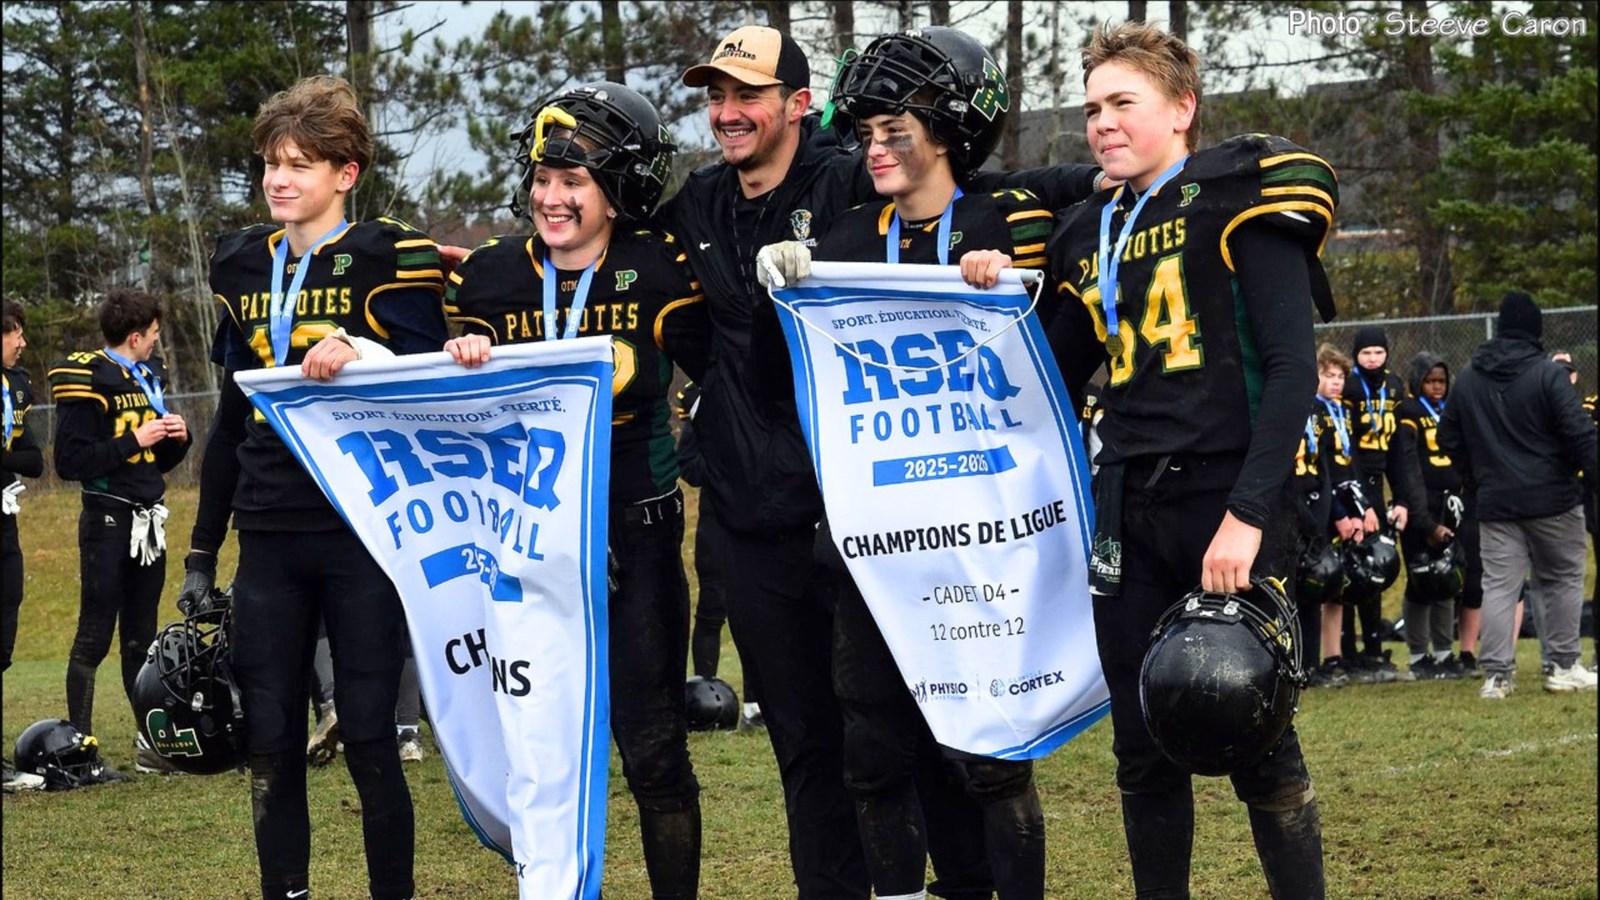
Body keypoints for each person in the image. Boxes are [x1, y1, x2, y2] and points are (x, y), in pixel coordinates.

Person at [658, 23, 1104, 898]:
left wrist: (1086, 201)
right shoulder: (771, 216)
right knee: (845, 745)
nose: (727, 112)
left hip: (945, 526)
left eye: (747, 94)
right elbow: (758, 366)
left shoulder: (933, 201)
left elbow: (1011, 211)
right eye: (716, 95)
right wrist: (778, 301)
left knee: (966, 744)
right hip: (819, 526)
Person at [756, 26, 1057, 898]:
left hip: (982, 540)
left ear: (950, 133)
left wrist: (1015, 295)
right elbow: (775, 386)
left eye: (897, 131)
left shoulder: (1005, 222)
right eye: (868, 133)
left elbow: (1057, 366)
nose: (876, 149)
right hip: (876, 543)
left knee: (991, 755)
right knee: (873, 751)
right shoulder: (848, 236)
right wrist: (782, 298)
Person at [1043, 21, 1334, 898]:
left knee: (1253, 726)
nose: (1102, 122)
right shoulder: (1088, 230)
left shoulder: (1237, 198)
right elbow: (1047, 373)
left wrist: (1248, 514)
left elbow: (1292, 371)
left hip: (1223, 493)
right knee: (1142, 747)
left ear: (1182, 108)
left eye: (1122, 103)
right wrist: (992, 282)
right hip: (1126, 501)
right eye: (1091, 109)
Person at [181, 74, 447, 900]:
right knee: (269, 743)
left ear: (346, 173)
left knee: (369, 737)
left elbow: (431, 383)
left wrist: (362, 350)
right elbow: (232, 416)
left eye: (300, 164)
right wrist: (201, 549)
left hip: (361, 530)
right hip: (267, 532)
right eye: (272, 163)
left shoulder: (391, 256)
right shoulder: (241, 262)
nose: (279, 179)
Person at [442, 81, 710, 900]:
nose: (551, 197)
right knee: (538, 741)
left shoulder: (657, 266)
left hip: (636, 530)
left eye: (573, 181)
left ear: (618, 190)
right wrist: (459, 361)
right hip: (526, 539)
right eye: (542, 178)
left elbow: (727, 374)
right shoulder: (490, 276)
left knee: (653, 748)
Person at [49, 288, 191, 777]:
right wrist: (134, 439)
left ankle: (150, 743)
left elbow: (156, 462)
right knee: (94, 634)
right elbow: (70, 462)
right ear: (134, 336)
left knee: (141, 638)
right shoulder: (90, 376)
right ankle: (79, 750)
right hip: (107, 518)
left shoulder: (148, 377)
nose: (155, 343)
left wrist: (178, 439)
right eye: (152, 335)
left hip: (149, 517)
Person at [1437, 292, 1597, 699]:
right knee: (1562, 579)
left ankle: (1496, 675)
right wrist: (1580, 473)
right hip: (1554, 500)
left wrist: (1476, 478)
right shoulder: (1547, 375)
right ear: (1535, 330)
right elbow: (1579, 432)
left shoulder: (1469, 378)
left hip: (1496, 502)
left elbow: (1447, 436)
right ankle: (1563, 665)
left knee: (1499, 587)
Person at [675, 381, 764, 729]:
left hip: (760, 517)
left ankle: (757, 704)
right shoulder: (701, 395)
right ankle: (705, 699)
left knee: (758, 613)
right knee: (712, 610)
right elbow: (689, 467)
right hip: (717, 521)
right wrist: (723, 460)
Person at [1394, 352, 1480, 679]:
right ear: (1418, 381)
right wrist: (1425, 522)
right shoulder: (1408, 412)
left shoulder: (1449, 410)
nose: (1436, 387)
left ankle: (1444, 651)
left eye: (1441, 381)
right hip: (1423, 506)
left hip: (1451, 503)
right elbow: (1408, 468)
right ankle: (1419, 655)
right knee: (1422, 578)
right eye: (1430, 381)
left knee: (1448, 577)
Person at [1339, 325, 1416, 680]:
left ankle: (1372, 649)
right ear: (1355, 355)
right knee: (1350, 569)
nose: (1372, 359)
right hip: (1351, 482)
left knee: (1376, 565)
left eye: (1378, 352)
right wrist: (1362, 502)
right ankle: (1347, 651)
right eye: (1365, 352)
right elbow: (1346, 446)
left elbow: (1398, 449)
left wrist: (1401, 498)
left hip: (1378, 478)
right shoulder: (1349, 387)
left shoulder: (1394, 386)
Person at [1298, 344, 1371, 687]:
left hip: (1328, 501)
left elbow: (1339, 465)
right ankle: (1306, 662)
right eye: (1329, 375)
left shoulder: (1336, 412)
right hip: (1307, 505)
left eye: (1340, 376)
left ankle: (1332, 658)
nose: (1336, 382)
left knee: (1334, 583)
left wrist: (1361, 508)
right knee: (1310, 584)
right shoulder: (1307, 408)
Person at [2, 299, 49, 793]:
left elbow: (34, 460)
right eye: (15, 332)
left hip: (4, 520)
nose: (23, 341)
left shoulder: (16, 385)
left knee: (5, 625)